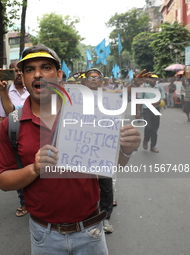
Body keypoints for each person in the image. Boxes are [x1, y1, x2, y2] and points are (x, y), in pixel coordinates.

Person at [0, 44, 141, 254]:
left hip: (90, 231)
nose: (38, 74)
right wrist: (33, 169)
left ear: (59, 74)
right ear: (24, 78)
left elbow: (113, 163)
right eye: (29, 69)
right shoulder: (11, 125)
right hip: (43, 235)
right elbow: (3, 180)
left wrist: (127, 149)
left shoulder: (91, 112)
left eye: (46, 67)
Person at [0, 61, 30, 217]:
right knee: (19, 170)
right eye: (15, 70)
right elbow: (4, 117)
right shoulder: (6, 93)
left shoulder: (36, 89)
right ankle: (24, 202)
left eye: (21, 70)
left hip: (36, 136)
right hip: (16, 139)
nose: (18, 73)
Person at [84, 68, 116, 234]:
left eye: (97, 77)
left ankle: (105, 217)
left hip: (103, 147)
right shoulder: (77, 98)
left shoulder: (110, 98)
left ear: (101, 81)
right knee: (84, 183)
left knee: (105, 183)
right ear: (86, 81)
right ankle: (86, 216)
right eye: (91, 77)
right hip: (82, 147)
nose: (94, 80)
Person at [136, 74, 164, 153]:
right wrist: (138, 112)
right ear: (149, 80)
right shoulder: (144, 88)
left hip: (156, 110)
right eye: (152, 79)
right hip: (146, 110)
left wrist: (157, 102)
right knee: (148, 127)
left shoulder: (159, 89)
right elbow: (139, 99)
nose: (153, 80)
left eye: (155, 79)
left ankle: (153, 146)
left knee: (154, 130)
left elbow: (163, 97)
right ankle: (145, 140)